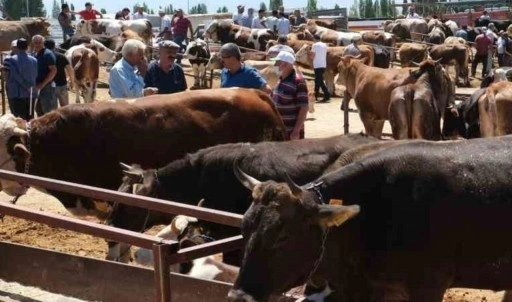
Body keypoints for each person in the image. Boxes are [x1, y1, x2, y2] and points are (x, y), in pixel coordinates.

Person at [270, 51, 308, 140]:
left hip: (291, 133)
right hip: (280, 132)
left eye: (277, 62)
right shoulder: (280, 79)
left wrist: (296, 131)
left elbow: (304, 107)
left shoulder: (298, 81)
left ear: (285, 64)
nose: (275, 65)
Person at [2, 39, 37, 120]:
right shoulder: (34, 60)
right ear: (27, 47)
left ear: (17, 47)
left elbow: (6, 77)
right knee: (30, 117)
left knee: (18, 118)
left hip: (15, 93)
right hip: (31, 93)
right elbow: (35, 75)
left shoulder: (9, 60)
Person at [32, 35, 57, 116]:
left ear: (43, 43)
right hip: (37, 86)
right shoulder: (34, 53)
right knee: (38, 110)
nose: (37, 44)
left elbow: (53, 70)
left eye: (39, 43)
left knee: (49, 111)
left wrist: (42, 84)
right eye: (36, 43)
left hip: (47, 87)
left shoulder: (48, 54)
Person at [44, 39, 73, 107]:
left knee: (53, 109)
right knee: (65, 108)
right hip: (62, 85)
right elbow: (70, 70)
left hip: (49, 86)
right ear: (54, 47)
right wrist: (72, 81)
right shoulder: (61, 56)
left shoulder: (43, 56)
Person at [309, 35, 330, 102]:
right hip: (323, 64)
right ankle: (317, 95)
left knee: (319, 81)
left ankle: (326, 95)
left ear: (315, 38)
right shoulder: (325, 45)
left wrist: (308, 53)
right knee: (318, 81)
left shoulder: (314, 45)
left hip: (317, 65)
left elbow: (312, 56)